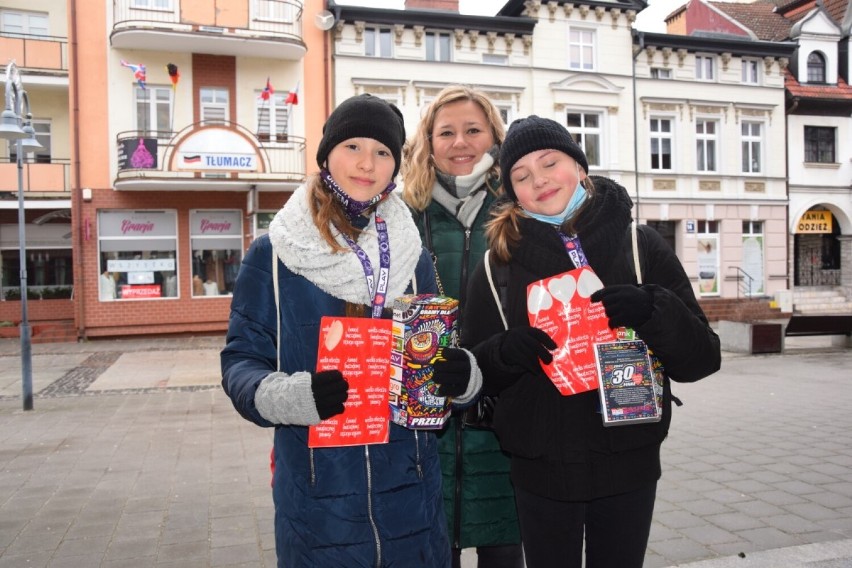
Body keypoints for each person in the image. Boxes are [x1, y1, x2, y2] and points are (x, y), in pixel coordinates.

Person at [221, 94, 482, 567]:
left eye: (383, 152)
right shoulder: (275, 254)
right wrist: (293, 397)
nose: (367, 164)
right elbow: (241, 364)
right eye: (353, 147)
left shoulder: (410, 250)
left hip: (411, 492)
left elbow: (441, 350)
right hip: (321, 498)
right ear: (326, 156)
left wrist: (462, 378)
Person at [462, 115, 721, 568]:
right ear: (512, 193)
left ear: (580, 167)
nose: (539, 181)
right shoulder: (496, 266)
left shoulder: (639, 245)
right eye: (521, 176)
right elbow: (474, 374)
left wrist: (652, 308)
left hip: (629, 462)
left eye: (550, 163)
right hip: (541, 470)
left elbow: (702, 359)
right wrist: (505, 353)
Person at [402, 85, 523, 568]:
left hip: (502, 426)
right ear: (428, 142)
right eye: (446, 132)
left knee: (504, 552)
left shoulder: (520, 212)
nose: (460, 143)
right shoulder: (402, 216)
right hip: (424, 429)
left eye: (473, 130)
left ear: (495, 136)